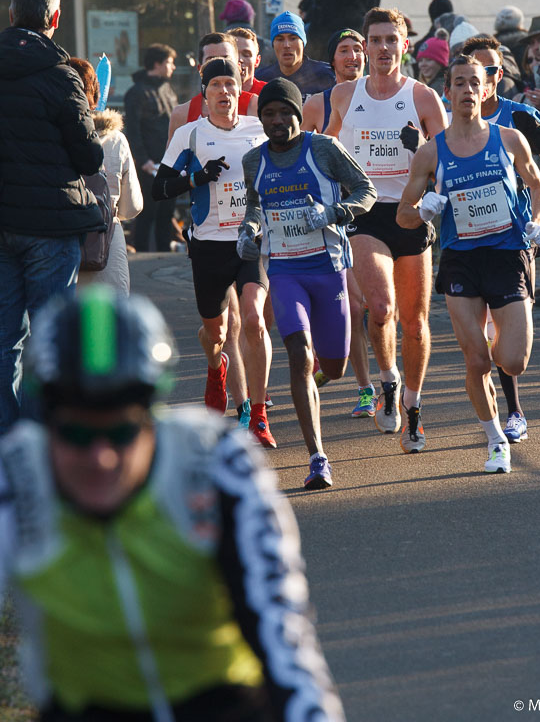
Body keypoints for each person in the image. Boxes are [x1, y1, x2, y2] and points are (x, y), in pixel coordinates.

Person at [0, 286, 346, 722]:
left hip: (224, 705)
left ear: (152, 419)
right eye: (77, 435)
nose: (101, 457)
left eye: (122, 433)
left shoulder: (215, 460)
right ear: (45, 426)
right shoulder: (15, 477)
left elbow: (284, 638)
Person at [397, 54, 540, 474]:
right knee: (477, 362)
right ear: (448, 92)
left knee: (514, 360)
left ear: (486, 90)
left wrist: (537, 223)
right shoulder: (431, 153)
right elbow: (403, 215)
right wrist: (425, 209)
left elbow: (537, 184)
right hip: (461, 260)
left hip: (507, 254)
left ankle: (493, 333)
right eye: (458, 83)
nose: (467, 90)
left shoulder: (510, 139)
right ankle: (495, 439)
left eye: (474, 83)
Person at [238, 79, 376, 488]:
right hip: (284, 272)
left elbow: (365, 191)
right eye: (269, 114)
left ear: (299, 115)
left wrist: (334, 212)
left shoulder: (323, 150)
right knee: (298, 354)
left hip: (327, 268)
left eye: (285, 113)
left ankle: (326, 371)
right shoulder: (253, 161)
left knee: (333, 365)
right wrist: (249, 230)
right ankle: (317, 457)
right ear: (261, 118)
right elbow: (254, 207)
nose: (278, 121)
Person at [326, 7, 448, 451]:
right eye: (373, 41)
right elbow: (324, 147)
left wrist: (426, 151)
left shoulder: (423, 98)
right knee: (380, 307)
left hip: (410, 213)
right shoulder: (344, 94)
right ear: (364, 46)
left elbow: (449, 158)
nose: (381, 48)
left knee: (414, 324)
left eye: (389, 40)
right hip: (366, 213)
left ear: (404, 46)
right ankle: (388, 381)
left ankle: (413, 408)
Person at [0, 0, 104, 434]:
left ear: (10, 14)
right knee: (50, 338)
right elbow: (87, 156)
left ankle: (7, 441)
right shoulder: (62, 77)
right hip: (51, 225)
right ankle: (43, 439)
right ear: (55, 18)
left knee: (4, 341)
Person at [153, 58, 275, 447]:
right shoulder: (189, 135)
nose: (224, 91)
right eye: (216, 85)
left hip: (251, 242)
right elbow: (160, 188)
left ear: (240, 89)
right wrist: (197, 178)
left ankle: (259, 415)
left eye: (230, 84)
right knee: (216, 334)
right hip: (207, 246)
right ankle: (215, 368)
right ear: (203, 92)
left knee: (254, 320)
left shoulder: (259, 131)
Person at [459, 36, 540, 443]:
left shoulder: (520, 117)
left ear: (498, 76)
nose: (478, 81)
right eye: (471, 73)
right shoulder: (454, 118)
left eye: (487, 72)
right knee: (482, 330)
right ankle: (508, 412)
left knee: (510, 333)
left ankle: (514, 407)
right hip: (468, 240)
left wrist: (523, 182)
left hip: (516, 234)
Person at [301, 28, 375, 415]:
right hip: (335, 218)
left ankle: (377, 376)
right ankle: (365, 387)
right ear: (332, 61)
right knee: (356, 302)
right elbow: (298, 158)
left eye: (358, 49)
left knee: (378, 309)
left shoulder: (387, 97)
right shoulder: (317, 104)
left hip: (379, 212)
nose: (353, 56)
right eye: (344, 50)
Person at [72, 58, 143, 296]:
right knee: (113, 319)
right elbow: (132, 206)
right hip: (107, 240)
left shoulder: (47, 137)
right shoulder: (116, 140)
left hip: (59, 240)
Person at [124, 43, 178, 252]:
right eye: (169, 62)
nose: (173, 67)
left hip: (171, 163)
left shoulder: (167, 88)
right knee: (146, 213)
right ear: (157, 63)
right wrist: (143, 160)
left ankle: (164, 255)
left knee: (167, 212)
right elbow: (134, 131)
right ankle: (141, 257)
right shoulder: (136, 93)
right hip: (149, 167)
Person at [255, 11, 335, 99]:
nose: (286, 45)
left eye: (293, 38)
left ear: (303, 43)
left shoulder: (328, 75)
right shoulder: (260, 78)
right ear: (273, 44)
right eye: (280, 39)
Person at [228, 26, 266, 114]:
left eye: (246, 55)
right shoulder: (213, 95)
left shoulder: (269, 93)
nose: (239, 59)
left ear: (257, 61)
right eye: (234, 54)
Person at [415, 31, 449, 97]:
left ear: (440, 63)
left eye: (429, 60)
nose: (423, 64)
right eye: (420, 60)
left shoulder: (440, 90)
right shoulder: (432, 85)